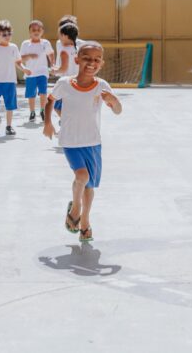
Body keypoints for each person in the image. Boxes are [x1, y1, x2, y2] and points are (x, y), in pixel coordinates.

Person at [43, 42, 122, 242]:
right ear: (77, 60)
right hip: (70, 141)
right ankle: (76, 206)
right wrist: (48, 123)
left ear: (102, 63)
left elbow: (118, 110)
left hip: (92, 142)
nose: (91, 63)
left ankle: (85, 221)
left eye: (96, 60)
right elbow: (50, 100)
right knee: (82, 175)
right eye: (86, 58)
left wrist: (114, 100)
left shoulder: (102, 86)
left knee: (89, 185)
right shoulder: (64, 83)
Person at [0, 20, 32, 135]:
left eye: (9, 34)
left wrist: (24, 69)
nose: (7, 36)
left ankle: (9, 126)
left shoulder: (13, 47)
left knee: (10, 104)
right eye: (4, 35)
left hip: (10, 80)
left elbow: (18, 62)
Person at [20, 20, 55, 122]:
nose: (36, 32)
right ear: (29, 32)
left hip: (43, 72)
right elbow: (21, 58)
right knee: (31, 94)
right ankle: (32, 112)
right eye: (33, 30)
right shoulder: (25, 44)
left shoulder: (45, 43)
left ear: (42, 31)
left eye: (38, 30)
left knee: (43, 92)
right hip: (30, 73)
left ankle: (42, 110)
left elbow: (51, 54)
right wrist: (29, 56)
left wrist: (52, 65)